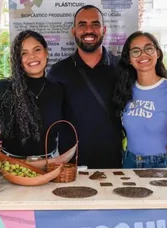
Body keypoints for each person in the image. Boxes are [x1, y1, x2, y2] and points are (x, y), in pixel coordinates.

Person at [47, 5, 122, 169]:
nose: (89, 30)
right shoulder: (58, 71)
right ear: (74, 31)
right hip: (71, 167)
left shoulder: (121, 68)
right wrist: (5, 133)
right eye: (82, 24)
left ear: (104, 30)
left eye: (95, 24)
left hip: (113, 165)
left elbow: (141, 104)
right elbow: (43, 114)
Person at [0, 30, 63, 159]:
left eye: (37, 50)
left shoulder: (58, 89)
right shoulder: (2, 88)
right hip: (10, 166)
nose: (32, 56)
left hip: (51, 165)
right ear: (18, 59)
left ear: (46, 52)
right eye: (24, 53)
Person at [113, 31, 167, 168]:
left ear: (158, 53)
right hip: (129, 162)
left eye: (148, 48)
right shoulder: (124, 90)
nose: (143, 54)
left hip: (161, 165)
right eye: (136, 51)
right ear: (129, 59)